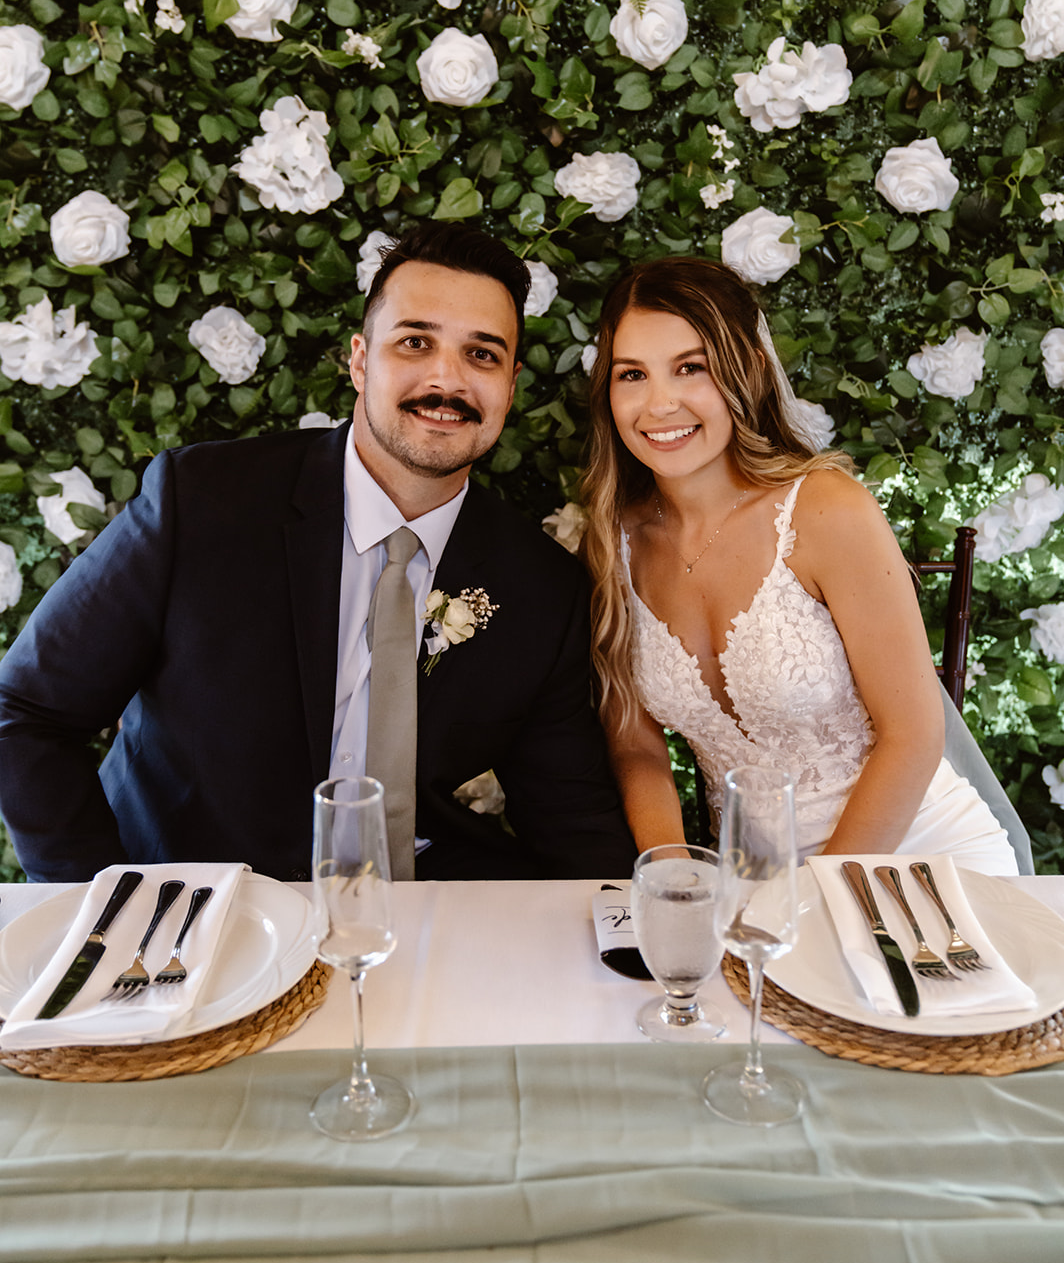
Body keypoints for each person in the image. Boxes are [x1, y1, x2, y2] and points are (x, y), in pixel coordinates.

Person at [0, 222, 635, 883]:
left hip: (412, 912)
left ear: (509, 384)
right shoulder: (204, 502)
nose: (447, 379)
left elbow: (571, 820)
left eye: (482, 355)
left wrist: (639, 935)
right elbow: (26, 712)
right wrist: (109, 911)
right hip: (192, 905)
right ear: (361, 361)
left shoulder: (541, 587)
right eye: (415, 342)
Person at [580, 255, 1021, 875]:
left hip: (922, 854)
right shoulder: (612, 539)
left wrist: (820, 899)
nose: (659, 404)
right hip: (758, 881)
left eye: (691, 368)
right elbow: (634, 745)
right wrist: (672, 868)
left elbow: (913, 736)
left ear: (750, 371)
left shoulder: (825, 511)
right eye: (632, 374)